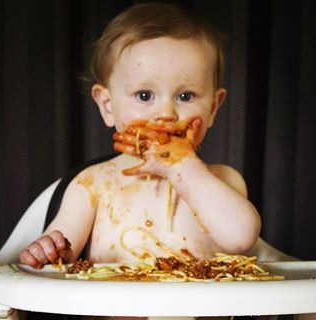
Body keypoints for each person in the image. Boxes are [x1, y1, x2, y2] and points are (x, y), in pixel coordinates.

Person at [19, 3, 261, 319]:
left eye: (185, 96)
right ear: (107, 106)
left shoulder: (223, 181)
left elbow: (242, 237)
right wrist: (49, 251)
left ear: (213, 108)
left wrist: (183, 168)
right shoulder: (93, 185)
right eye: (145, 95)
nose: (166, 114)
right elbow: (55, 263)